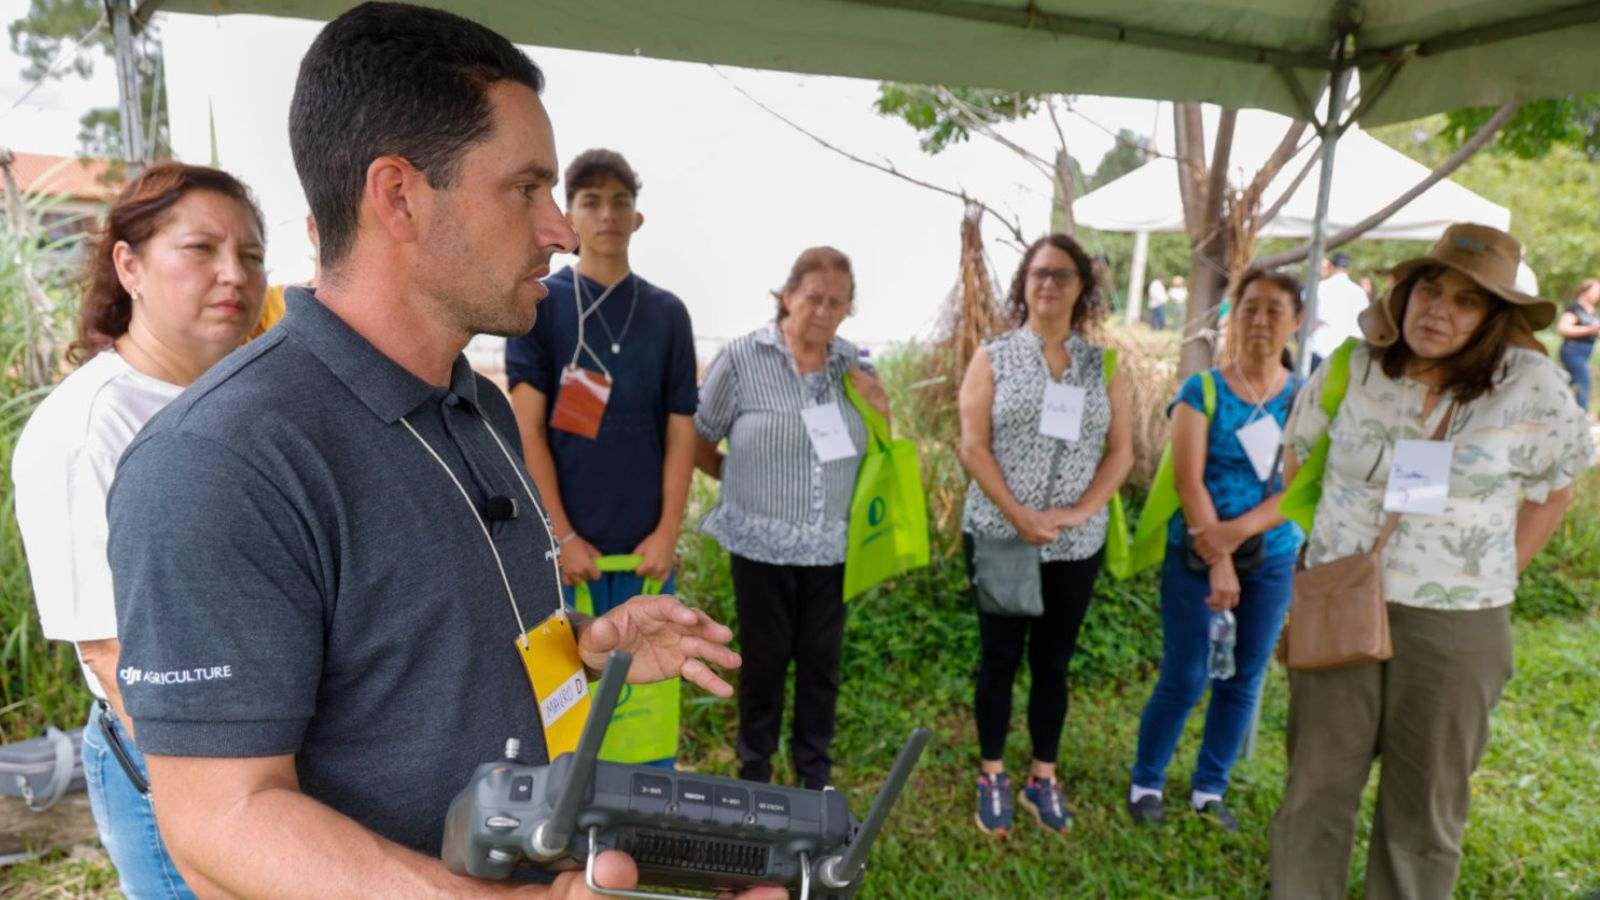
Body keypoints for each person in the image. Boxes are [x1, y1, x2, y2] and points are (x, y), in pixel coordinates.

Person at [105, 6, 769, 897]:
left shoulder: (479, 404)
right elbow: (222, 819)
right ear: (400, 196)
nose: (563, 232)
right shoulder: (221, 460)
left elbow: (436, 654)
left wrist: (587, 650)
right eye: (526, 189)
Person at [1269, 224, 1591, 898]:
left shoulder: (1530, 383)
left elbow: (1554, 490)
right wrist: (1337, 544)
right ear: (1406, 292)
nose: (1438, 310)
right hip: (1339, 600)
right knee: (1314, 791)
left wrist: (1488, 573)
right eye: (1430, 289)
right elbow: (1297, 457)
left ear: (1496, 316)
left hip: (1457, 625)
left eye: (1467, 301)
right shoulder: (1354, 365)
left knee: (1424, 812)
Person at [12, 161, 269, 899]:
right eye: (200, 250)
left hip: (267, 750)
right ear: (129, 265)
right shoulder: (89, 428)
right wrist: (219, 810)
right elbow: (110, 650)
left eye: (251, 255)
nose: (234, 275)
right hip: (181, 768)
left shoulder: (243, 394)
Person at [693, 246, 890, 791]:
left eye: (837, 302)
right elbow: (698, 434)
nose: (823, 312)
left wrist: (881, 404)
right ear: (786, 296)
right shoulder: (742, 358)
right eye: (813, 298)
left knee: (821, 665)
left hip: (832, 547)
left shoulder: (854, 365)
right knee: (764, 663)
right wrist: (735, 476)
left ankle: (813, 775)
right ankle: (754, 770)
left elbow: (881, 445)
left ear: (849, 308)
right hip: (761, 544)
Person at [957, 233, 1134, 837]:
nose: (1049, 284)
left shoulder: (1103, 365)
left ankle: (1042, 776)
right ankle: (992, 773)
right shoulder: (995, 356)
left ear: (1082, 286)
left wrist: (1080, 512)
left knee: (1053, 664)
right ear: (1023, 284)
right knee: (1000, 659)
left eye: (1062, 275)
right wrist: (1020, 515)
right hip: (1003, 534)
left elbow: (1122, 452)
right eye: (1038, 274)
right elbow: (972, 445)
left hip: (1074, 544)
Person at [1127, 269, 1305, 832]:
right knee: (1184, 674)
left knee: (1245, 676)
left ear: (1296, 321)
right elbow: (1188, 480)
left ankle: (1210, 788)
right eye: (1249, 307)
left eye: (1274, 310)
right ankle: (1147, 779)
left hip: (1272, 555)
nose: (1260, 320)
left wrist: (1239, 534)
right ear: (1233, 315)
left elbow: (1298, 489)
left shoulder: (1305, 400)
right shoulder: (1201, 391)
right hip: (1196, 553)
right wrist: (1219, 555)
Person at [1305, 252, 1368, 369]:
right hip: (1348, 350)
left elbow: (1305, 315)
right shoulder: (1359, 292)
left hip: (1320, 348)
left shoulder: (1319, 288)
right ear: (1348, 269)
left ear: (1331, 267)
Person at [1556, 278, 1600, 412]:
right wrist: (1590, 329)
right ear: (1585, 291)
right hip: (1572, 351)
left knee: (1570, 382)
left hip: (1584, 353)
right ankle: (1582, 418)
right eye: (1596, 291)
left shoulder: (1591, 311)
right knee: (1583, 383)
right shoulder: (1575, 308)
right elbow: (1563, 329)